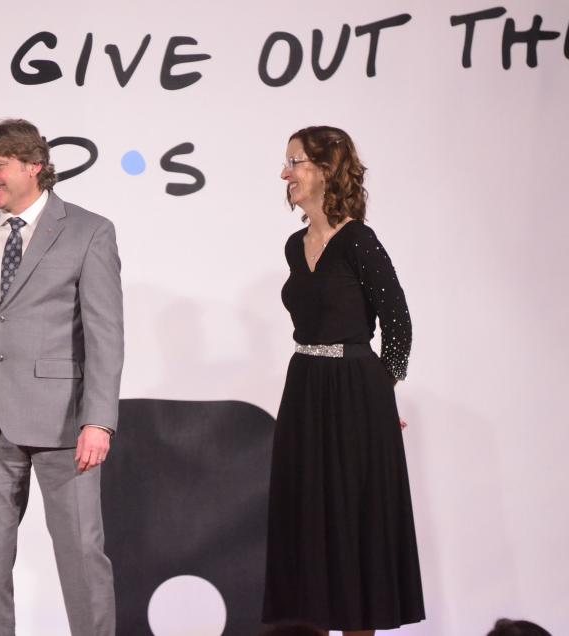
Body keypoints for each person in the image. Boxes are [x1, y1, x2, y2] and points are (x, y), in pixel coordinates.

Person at [0, 118, 124, 636]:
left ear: (34, 166)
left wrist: (100, 421)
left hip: (65, 425)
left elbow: (105, 334)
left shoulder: (89, 230)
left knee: (82, 556)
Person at [262, 126, 424, 635]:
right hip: (305, 388)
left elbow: (397, 324)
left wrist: (380, 394)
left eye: (295, 162)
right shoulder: (294, 246)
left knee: (354, 530)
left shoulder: (358, 241)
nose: (284, 173)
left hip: (356, 395)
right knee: (307, 526)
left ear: (326, 170)